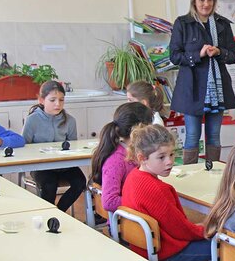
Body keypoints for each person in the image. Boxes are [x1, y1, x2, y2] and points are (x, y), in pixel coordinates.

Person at [122, 124, 210, 261]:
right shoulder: (158, 189)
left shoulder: (133, 177)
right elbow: (182, 230)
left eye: (171, 154)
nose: (169, 161)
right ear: (142, 158)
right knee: (230, 249)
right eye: (161, 157)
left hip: (146, 249)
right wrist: (206, 229)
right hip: (166, 253)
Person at [169, 0, 235, 165]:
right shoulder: (183, 23)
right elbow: (174, 56)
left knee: (214, 135)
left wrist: (219, 52)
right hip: (192, 88)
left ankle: (212, 173)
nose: (206, 4)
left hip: (218, 90)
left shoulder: (222, 24)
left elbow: (232, 56)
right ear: (194, 1)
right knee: (192, 135)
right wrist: (198, 54)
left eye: (210, 0)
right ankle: (190, 176)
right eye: (202, 0)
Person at [22, 81, 85, 212]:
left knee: (80, 182)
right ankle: (49, 216)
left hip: (64, 165)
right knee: (49, 185)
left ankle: (59, 212)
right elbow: (24, 146)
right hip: (41, 166)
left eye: (61, 100)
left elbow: (73, 145)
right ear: (41, 100)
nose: (58, 104)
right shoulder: (32, 120)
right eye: (52, 100)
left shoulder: (70, 120)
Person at [89, 102, 153, 213]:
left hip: (139, 216)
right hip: (128, 220)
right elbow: (109, 202)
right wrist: (142, 201)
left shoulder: (137, 152)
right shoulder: (116, 160)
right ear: (138, 129)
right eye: (150, 127)